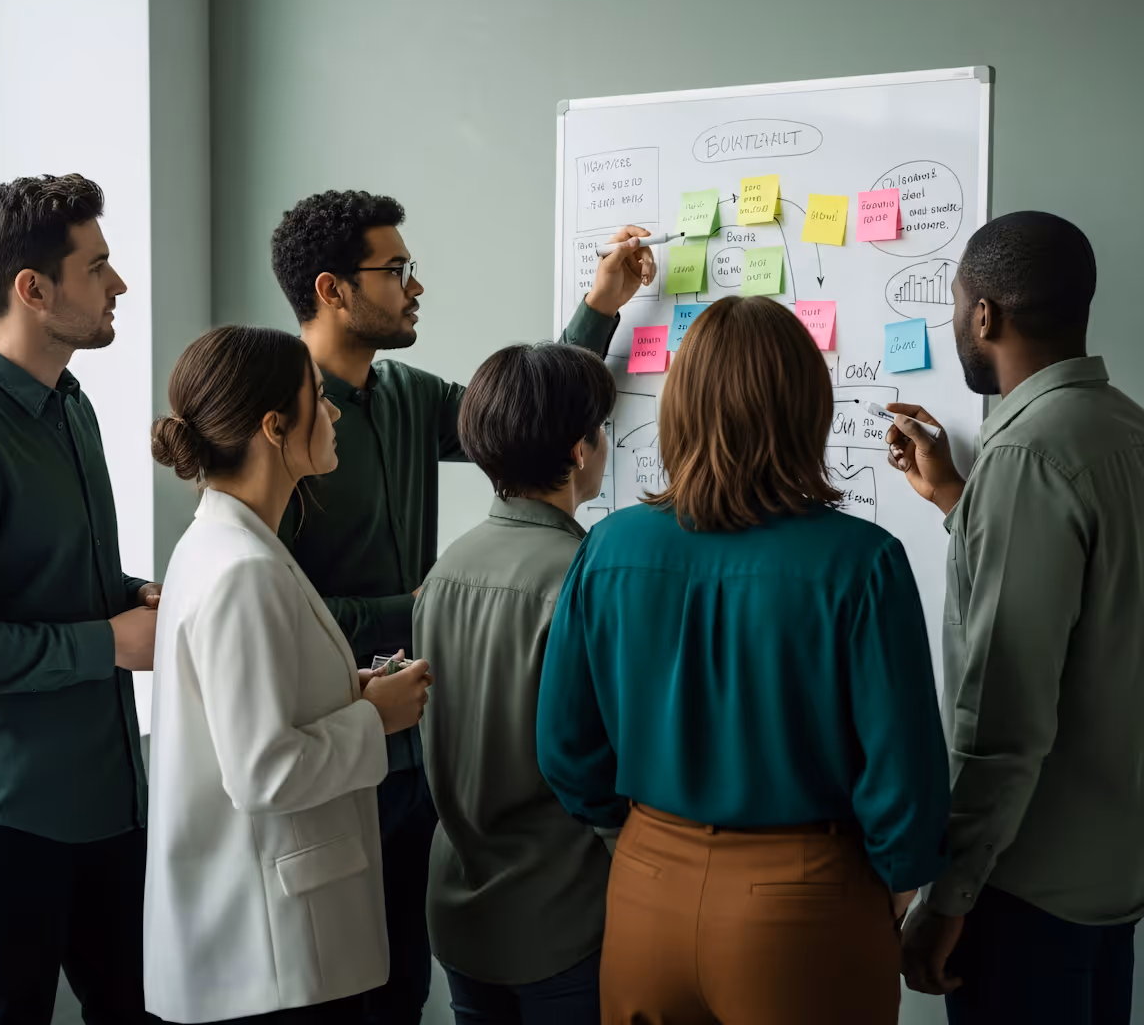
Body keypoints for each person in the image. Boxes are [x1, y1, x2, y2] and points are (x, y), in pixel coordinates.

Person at [270, 190, 653, 1025]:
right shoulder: (278, 420)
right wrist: (409, 610)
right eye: (396, 269)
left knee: (409, 983)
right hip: (337, 748)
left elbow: (525, 420)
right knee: (347, 993)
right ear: (334, 289)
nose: (415, 285)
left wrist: (598, 309)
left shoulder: (407, 394)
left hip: (426, 759)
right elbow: (270, 614)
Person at [536, 294, 952, 1025]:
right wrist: (899, 877)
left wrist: (647, 828)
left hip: (645, 890)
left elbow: (566, 747)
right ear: (806, 409)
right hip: (807, 899)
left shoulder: (607, 547)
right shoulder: (864, 563)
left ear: (679, 407)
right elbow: (905, 770)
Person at [885, 211, 1144, 1025]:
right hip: (1112, 873)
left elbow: (1003, 714)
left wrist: (948, 894)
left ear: (984, 315)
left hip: (1026, 887)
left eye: (957, 301)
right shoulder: (1125, 429)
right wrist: (959, 499)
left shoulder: (1027, 455)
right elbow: (1096, 596)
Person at [146, 325, 434, 1025]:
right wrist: (376, 718)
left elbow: (256, 715)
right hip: (267, 957)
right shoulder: (241, 569)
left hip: (268, 940)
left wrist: (350, 692)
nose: (333, 413)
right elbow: (263, 772)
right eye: (319, 400)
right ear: (276, 428)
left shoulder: (227, 542)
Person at [0, 175, 160, 1024]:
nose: (119, 284)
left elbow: (57, 580)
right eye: (98, 266)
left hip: (111, 805)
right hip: (4, 828)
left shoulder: (73, 406)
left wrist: (136, 594)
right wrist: (108, 642)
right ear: (33, 290)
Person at [413, 343, 617, 1025]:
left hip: (461, 908)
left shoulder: (446, 570)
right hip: (562, 916)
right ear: (580, 450)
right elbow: (603, 763)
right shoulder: (583, 578)